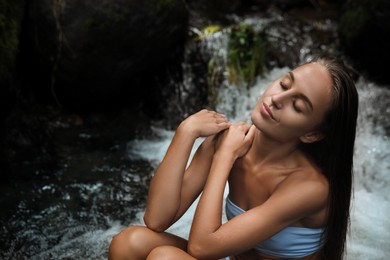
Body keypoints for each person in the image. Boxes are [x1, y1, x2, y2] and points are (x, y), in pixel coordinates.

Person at [108, 56, 359, 260]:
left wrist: (224, 158)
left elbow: (202, 248)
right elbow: (156, 218)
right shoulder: (230, 140)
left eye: (298, 106)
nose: (276, 99)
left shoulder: (311, 188)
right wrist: (185, 132)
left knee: (165, 259)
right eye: (284, 84)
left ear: (312, 134)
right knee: (128, 243)